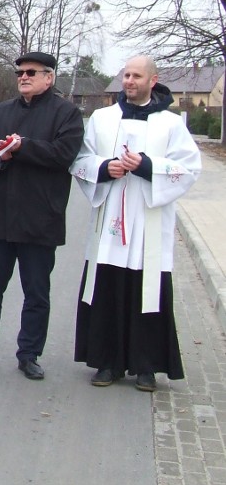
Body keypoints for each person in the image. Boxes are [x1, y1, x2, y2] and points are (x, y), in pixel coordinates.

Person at [70, 55, 200, 392]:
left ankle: (146, 366)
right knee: (108, 288)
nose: (129, 81)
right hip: (111, 217)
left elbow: (188, 168)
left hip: (148, 222)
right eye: (126, 75)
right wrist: (104, 168)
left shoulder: (170, 124)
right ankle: (107, 362)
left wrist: (146, 166)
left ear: (152, 81)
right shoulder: (101, 118)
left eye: (137, 76)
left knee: (148, 290)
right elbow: (81, 160)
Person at [0, 51, 84, 380]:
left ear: (49, 77)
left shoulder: (67, 114)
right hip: (0, 218)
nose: (23, 77)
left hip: (40, 218)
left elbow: (64, 154)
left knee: (36, 293)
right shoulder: (2, 111)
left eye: (31, 72)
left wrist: (23, 147)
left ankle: (29, 353)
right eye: (19, 73)